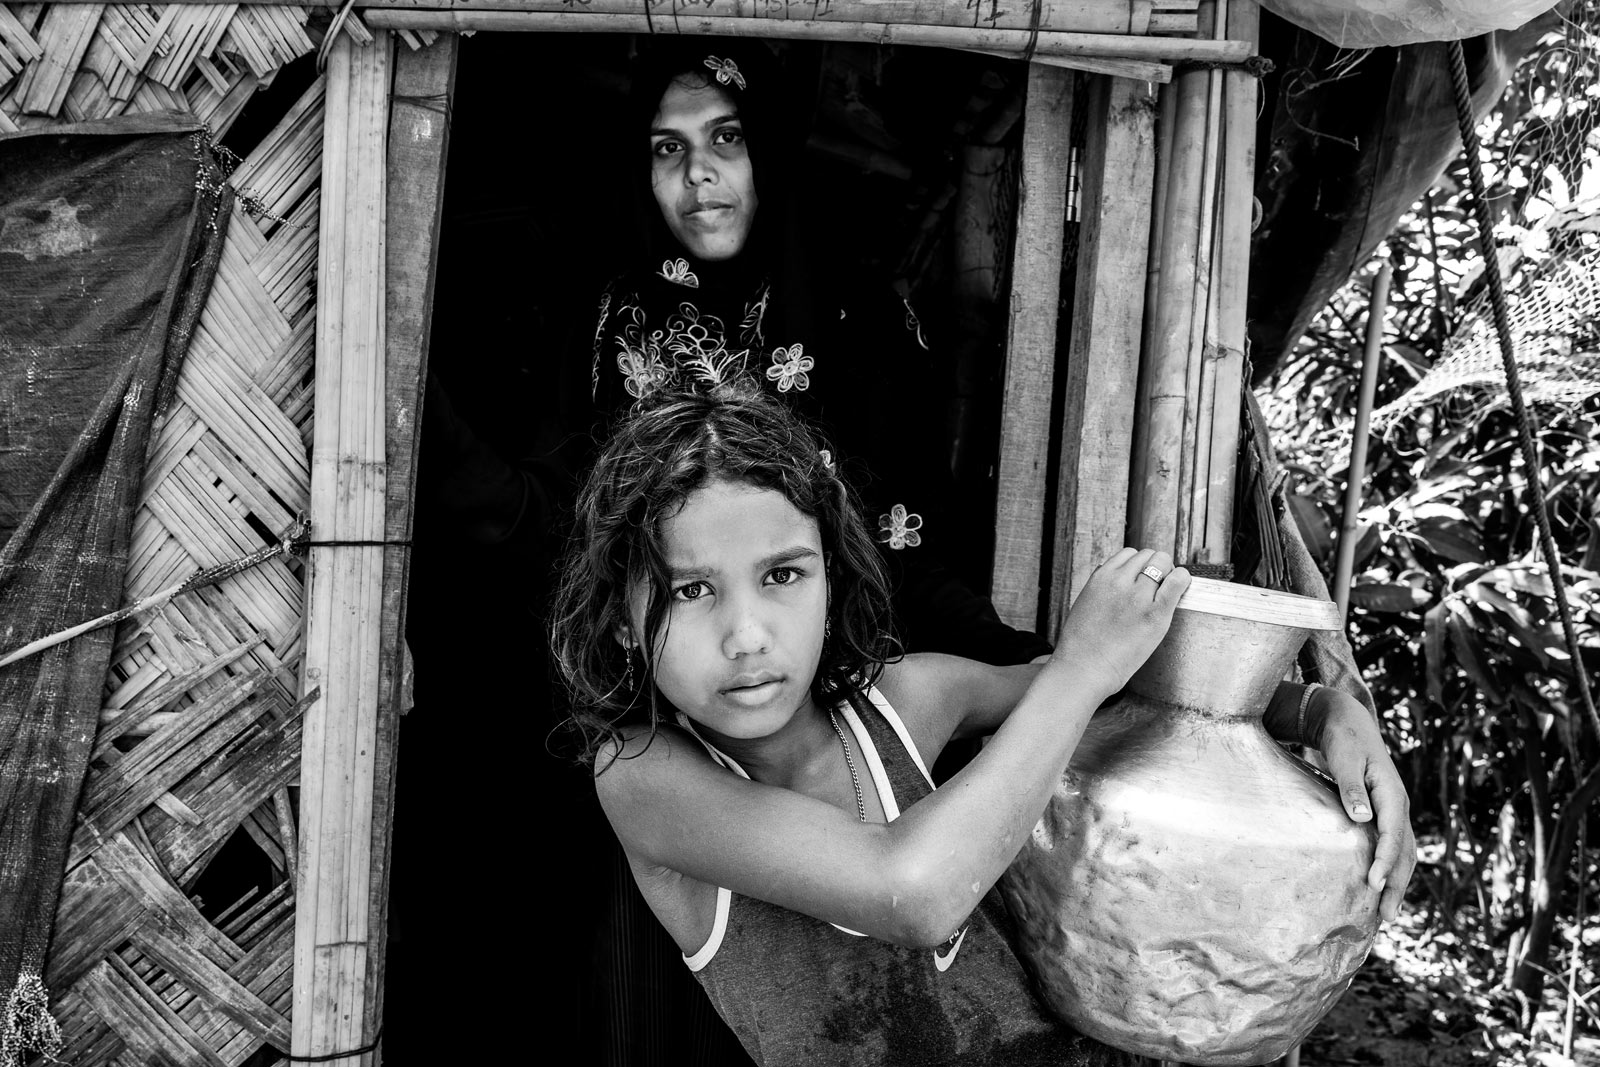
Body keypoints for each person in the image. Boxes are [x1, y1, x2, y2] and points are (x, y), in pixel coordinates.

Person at [548, 384, 1416, 1067]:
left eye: (782, 574)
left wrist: (1320, 710)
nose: (746, 635)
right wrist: (1077, 668)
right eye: (691, 589)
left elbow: (1139, 706)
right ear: (624, 617)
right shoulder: (642, 773)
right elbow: (912, 892)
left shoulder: (914, 699)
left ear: (830, 578)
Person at [588, 39, 1049, 666]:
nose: (697, 171)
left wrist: (1026, 664)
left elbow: (907, 547)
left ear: (769, 153)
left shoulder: (861, 321)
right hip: (653, 690)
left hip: (833, 688)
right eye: (669, 147)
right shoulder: (613, 323)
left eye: (727, 137)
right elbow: (568, 532)